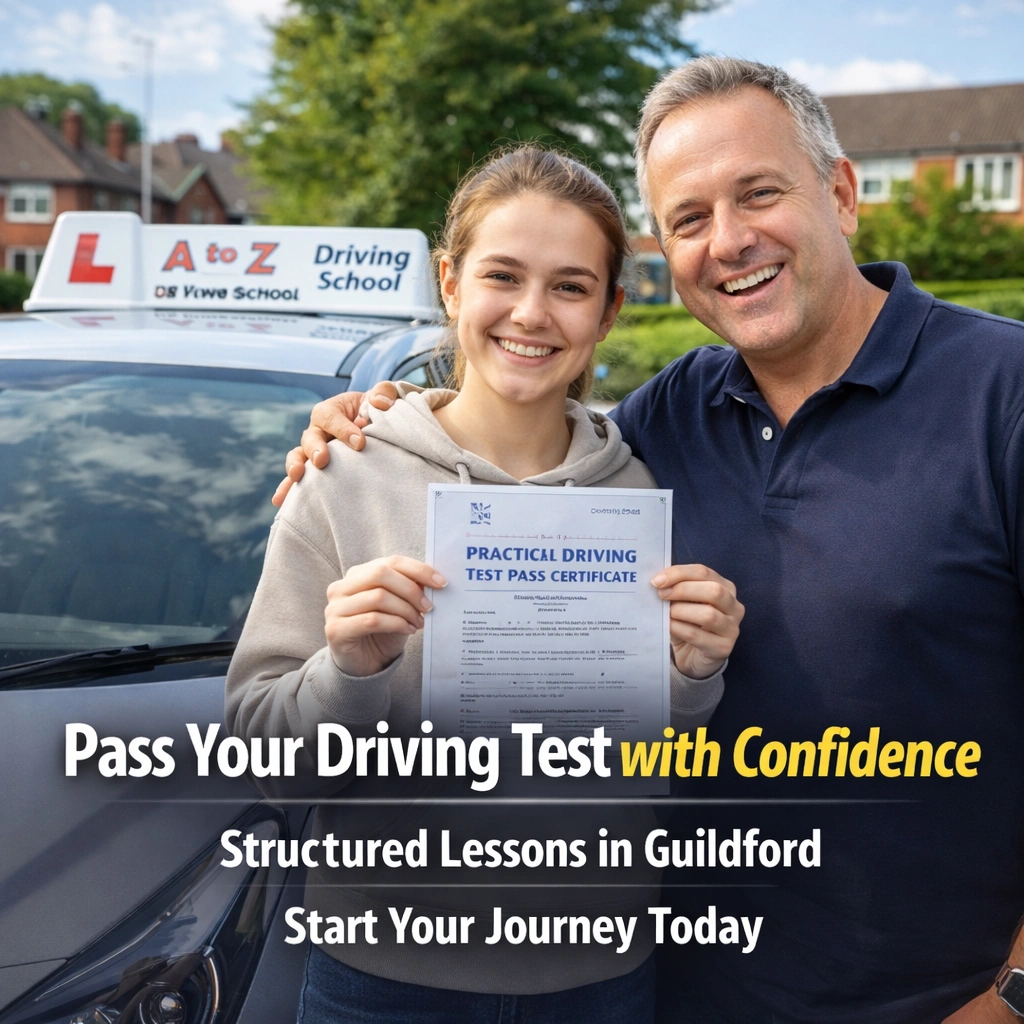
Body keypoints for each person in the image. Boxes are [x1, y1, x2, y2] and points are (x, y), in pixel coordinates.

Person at [274, 59, 1024, 1024]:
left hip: (942, 1002)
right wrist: (385, 414)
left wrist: (1012, 992)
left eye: (759, 193)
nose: (731, 241)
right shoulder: (669, 417)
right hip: (664, 987)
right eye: (689, 219)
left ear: (840, 193)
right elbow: (523, 427)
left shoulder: (1001, 395)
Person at [226, 145, 744, 1024]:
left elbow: (648, 764)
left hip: (600, 978)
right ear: (451, 283)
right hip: (379, 981)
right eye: (503, 275)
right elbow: (266, 764)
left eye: (572, 286)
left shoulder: (644, 492)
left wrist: (692, 680)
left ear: (611, 311)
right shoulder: (344, 475)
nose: (532, 314)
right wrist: (347, 669)